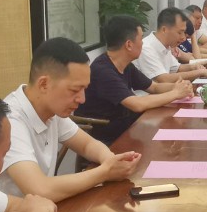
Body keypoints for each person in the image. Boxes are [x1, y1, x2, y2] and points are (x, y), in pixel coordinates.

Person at [0, 37, 141, 204]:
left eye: (84, 89)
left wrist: (110, 160)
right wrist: (105, 172)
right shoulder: (10, 121)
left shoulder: (51, 109)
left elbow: (87, 145)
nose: (82, 99)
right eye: (74, 90)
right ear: (44, 84)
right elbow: (40, 190)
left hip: (45, 211)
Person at [76, 15, 195, 144]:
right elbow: (137, 104)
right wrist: (175, 93)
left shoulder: (125, 65)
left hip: (128, 128)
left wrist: (180, 87)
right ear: (129, 44)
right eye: (140, 39)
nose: (143, 43)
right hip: (106, 139)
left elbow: (154, 87)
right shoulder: (103, 71)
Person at [134, 7, 207, 82]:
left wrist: (197, 66)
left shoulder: (166, 46)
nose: (183, 38)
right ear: (164, 30)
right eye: (180, 32)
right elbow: (164, 79)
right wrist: (200, 72)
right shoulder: (146, 48)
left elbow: (176, 68)